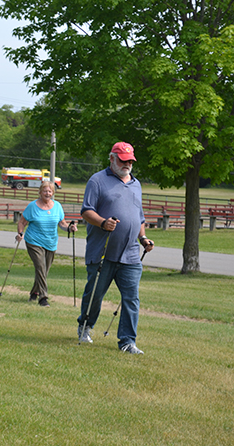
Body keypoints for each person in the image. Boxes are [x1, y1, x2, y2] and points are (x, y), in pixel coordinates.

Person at [77, 142, 154, 354]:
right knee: (95, 294)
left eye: (130, 160)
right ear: (111, 158)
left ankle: (128, 341)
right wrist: (103, 222)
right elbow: (86, 211)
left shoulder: (136, 184)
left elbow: (139, 217)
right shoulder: (97, 180)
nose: (127, 164)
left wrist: (144, 238)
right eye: (122, 160)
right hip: (102, 251)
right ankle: (85, 326)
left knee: (131, 298)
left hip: (129, 253)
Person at [16, 181, 78, 307]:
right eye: (45, 191)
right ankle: (43, 298)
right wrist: (20, 233)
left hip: (51, 242)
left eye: (50, 191)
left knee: (44, 271)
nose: (47, 193)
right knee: (40, 267)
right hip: (34, 241)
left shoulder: (57, 206)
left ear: (53, 193)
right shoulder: (32, 206)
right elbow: (22, 222)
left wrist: (70, 228)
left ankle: (34, 292)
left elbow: (62, 223)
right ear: (40, 192)